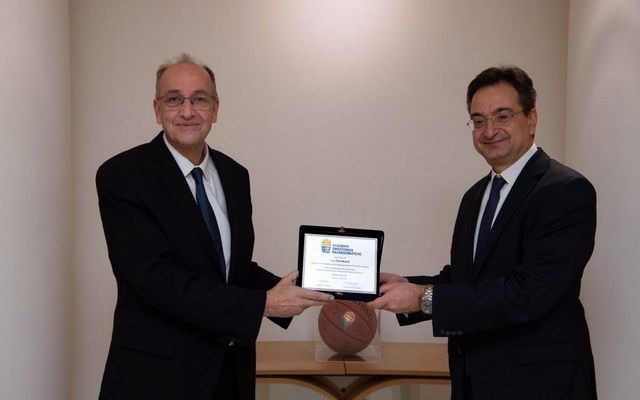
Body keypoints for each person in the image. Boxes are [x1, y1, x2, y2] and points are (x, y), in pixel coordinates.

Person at [96, 53, 333, 400]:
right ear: (157, 109)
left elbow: (231, 269)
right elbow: (156, 279)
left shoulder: (235, 175)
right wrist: (263, 304)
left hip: (229, 372)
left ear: (215, 109)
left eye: (199, 99)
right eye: (174, 99)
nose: (187, 111)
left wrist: (311, 287)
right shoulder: (123, 176)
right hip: (156, 378)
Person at [369, 66, 597, 400]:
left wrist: (423, 298)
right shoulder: (474, 196)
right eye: (478, 121)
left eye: (502, 116)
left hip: (539, 384)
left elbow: (529, 293)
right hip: (473, 378)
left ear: (532, 118)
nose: (489, 130)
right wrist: (407, 285)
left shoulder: (566, 190)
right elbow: (468, 278)